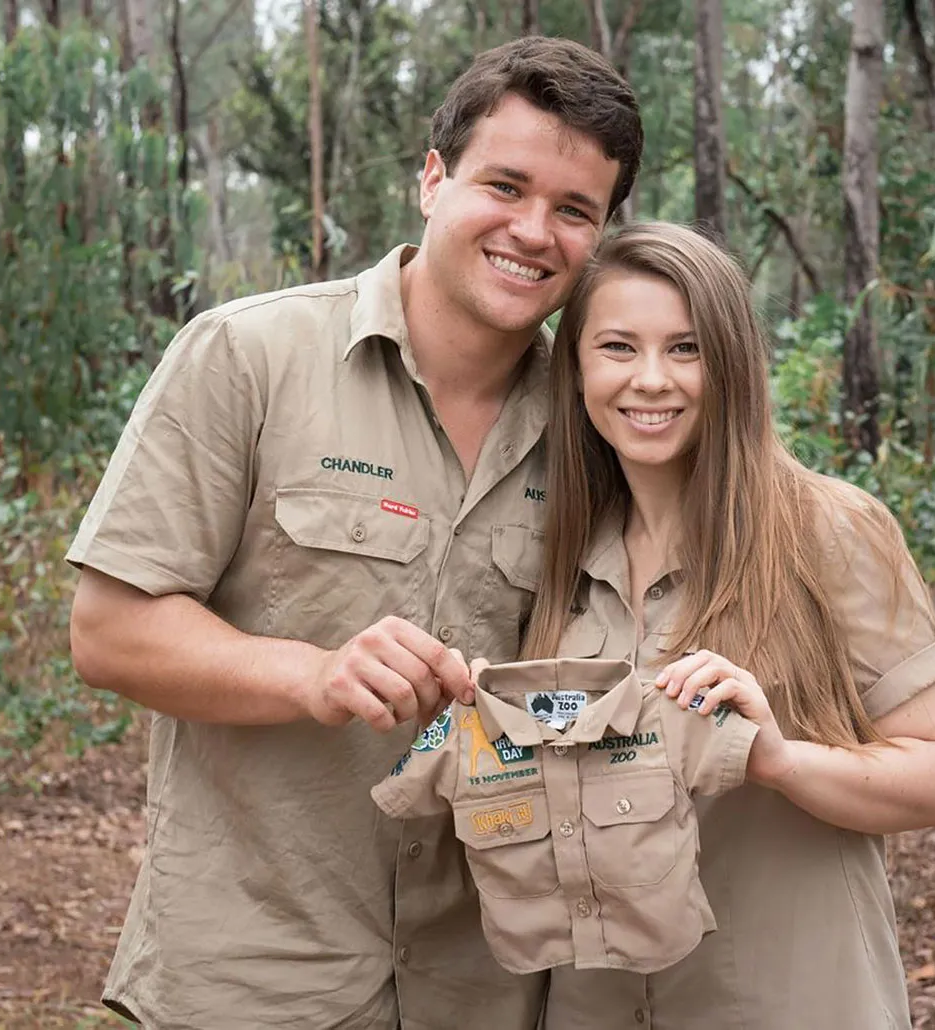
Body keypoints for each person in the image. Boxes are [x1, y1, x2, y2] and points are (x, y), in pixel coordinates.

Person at [65, 37, 643, 1030]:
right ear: (433, 179)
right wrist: (315, 675)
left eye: (574, 210)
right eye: (505, 185)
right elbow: (108, 630)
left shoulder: (601, 420)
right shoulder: (249, 356)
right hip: (260, 973)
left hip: (486, 983)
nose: (532, 230)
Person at [518, 222, 935, 1029]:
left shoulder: (829, 529)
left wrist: (777, 760)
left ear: (731, 363)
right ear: (576, 369)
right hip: (596, 1004)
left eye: (685, 348)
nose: (651, 379)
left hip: (787, 1002)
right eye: (618, 347)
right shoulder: (560, 553)